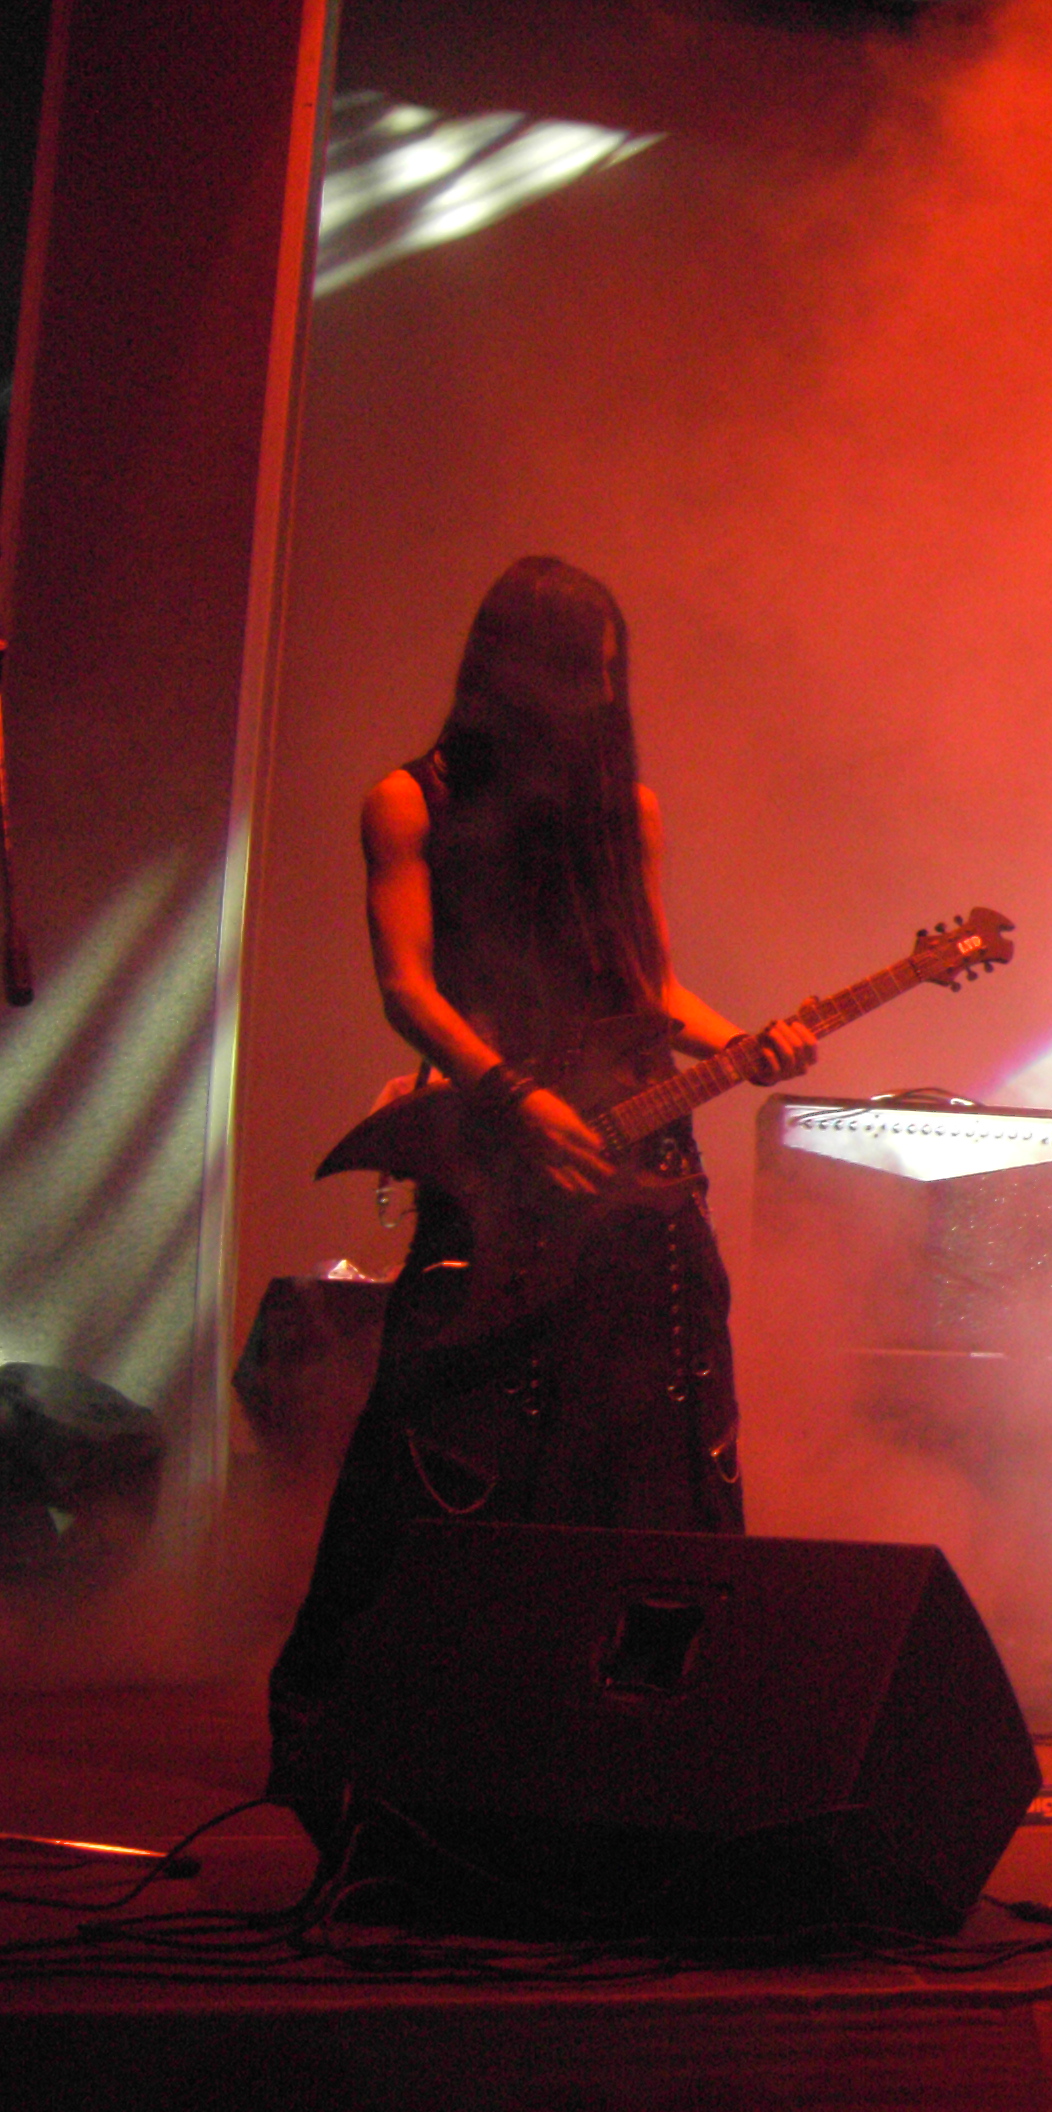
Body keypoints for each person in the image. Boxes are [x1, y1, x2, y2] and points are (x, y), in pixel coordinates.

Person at [265, 556, 817, 1832]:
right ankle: (382, 1736)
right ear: (511, 672)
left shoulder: (627, 812)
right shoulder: (409, 801)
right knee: (448, 1435)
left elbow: (651, 989)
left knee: (656, 1437)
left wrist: (748, 1043)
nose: (601, 696)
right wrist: (512, 1095)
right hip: (501, 1156)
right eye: (581, 672)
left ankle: (648, 1745)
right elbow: (407, 986)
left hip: (639, 1166)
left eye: (613, 674)